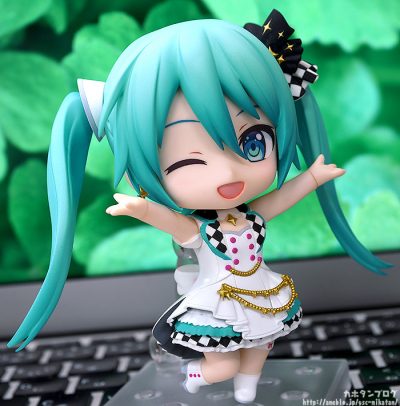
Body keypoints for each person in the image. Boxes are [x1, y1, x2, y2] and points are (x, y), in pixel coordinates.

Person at [8, 9, 390, 404]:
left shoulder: (251, 217)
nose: (228, 173)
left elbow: (279, 198)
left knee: (262, 345)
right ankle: (198, 374)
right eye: (187, 162)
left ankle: (247, 386)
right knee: (222, 363)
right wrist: (141, 209)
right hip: (217, 302)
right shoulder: (201, 232)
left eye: (253, 142)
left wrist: (311, 177)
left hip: (261, 292)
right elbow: (174, 224)